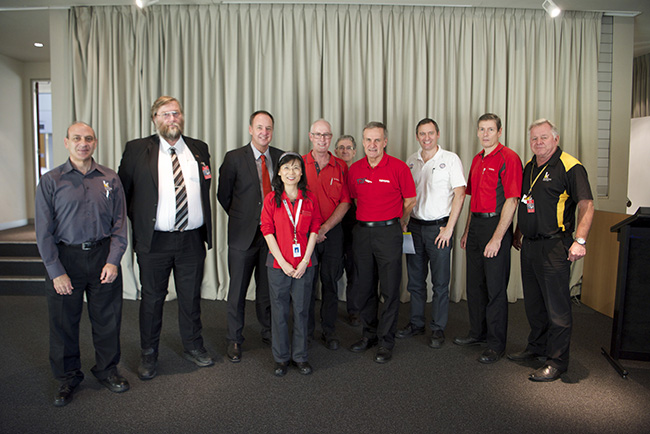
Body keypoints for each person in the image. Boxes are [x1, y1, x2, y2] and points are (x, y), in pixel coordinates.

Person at [118, 96, 214, 380]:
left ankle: (193, 346)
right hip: (155, 243)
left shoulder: (199, 149)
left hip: (191, 240)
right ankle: (149, 354)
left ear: (182, 116)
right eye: (165, 114)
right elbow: (124, 193)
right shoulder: (137, 149)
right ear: (155, 119)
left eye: (176, 113)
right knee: (152, 300)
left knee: (190, 298)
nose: (171, 119)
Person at [35, 122, 129, 406]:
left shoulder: (110, 178)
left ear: (95, 142)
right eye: (77, 138)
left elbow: (120, 224)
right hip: (66, 259)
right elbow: (43, 232)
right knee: (64, 323)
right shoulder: (51, 181)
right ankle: (67, 378)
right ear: (66, 143)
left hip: (103, 257)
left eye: (88, 138)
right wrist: (56, 272)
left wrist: (113, 261)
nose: (83, 143)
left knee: (107, 320)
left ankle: (107, 370)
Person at [509, 119, 594, 381]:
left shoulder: (570, 165)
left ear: (555, 139)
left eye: (543, 137)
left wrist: (580, 241)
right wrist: (519, 231)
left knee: (557, 307)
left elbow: (587, 205)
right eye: (534, 138)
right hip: (530, 245)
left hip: (555, 246)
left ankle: (557, 362)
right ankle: (536, 348)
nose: (538, 142)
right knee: (534, 304)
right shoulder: (529, 166)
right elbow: (527, 202)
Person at [454, 113, 522, 364]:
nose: (485, 134)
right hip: (476, 226)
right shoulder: (476, 159)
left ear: (499, 132)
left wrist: (496, 238)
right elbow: (472, 200)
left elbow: (512, 200)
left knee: (495, 290)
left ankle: (496, 344)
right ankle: (477, 333)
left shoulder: (509, 158)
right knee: (474, 285)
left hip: (497, 226)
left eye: (490, 129)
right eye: (481, 129)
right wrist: (467, 230)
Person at [217, 110, 284, 362]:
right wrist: (244, 217)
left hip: (272, 237)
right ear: (250, 129)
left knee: (268, 288)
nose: (264, 132)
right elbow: (223, 196)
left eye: (268, 128)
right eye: (259, 127)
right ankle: (234, 338)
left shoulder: (280, 157)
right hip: (242, 235)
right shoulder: (234, 158)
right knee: (237, 290)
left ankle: (268, 331)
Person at [347, 121, 416, 363]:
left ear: (385, 142)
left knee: (389, 289)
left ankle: (386, 341)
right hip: (363, 233)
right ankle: (369, 335)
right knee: (365, 288)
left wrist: (399, 219)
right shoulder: (354, 170)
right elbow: (353, 200)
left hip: (389, 233)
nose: (372, 145)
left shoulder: (398, 168)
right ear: (362, 142)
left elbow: (410, 199)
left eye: (377, 140)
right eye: (368, 140)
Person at [398, 118, 466, 349]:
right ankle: (416, 323)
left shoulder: (450, 159)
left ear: (437, 134)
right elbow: (408, 197)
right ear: (417, 136)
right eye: (421, 134)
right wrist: (404, 220)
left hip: (439, 229)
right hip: (414, 228)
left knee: (439, 283)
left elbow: (460, 194)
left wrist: (450, 228)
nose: (426, 138)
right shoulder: (411, 161)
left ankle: (437, 328)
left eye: (430, 133)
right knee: (415, 282)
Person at [261, 153, 322, 376]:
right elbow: (266, 230)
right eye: (286, 168)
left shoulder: (310, 198)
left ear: (301, 173)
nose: (291, 173)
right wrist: (283, 262)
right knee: (279, 312)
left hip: (305, 265)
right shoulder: (271, 199)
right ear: (278, 172)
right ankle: (281, 358)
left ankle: (300, 356)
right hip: (279, 266)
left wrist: (305, 260)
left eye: (296, 168)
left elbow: (315, 227)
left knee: (302, 310)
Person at [303, 120, 351, 350]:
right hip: (306, 235)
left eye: (327, 135)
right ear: (310, 136)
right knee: (307, 284)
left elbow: (345, 202)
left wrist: (325, 228)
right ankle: (307, 331)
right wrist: (314, 230)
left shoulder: (341, 165)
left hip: (332, 234)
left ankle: (329, 331)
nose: (323, 139)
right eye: (318, 135)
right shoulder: (299, 164)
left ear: (331, 138)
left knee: (330, 282)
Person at [334, 135, 363, 326]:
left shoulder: (359, 173)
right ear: (335, 151)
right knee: (332, 271)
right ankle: (329, 311)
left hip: (355, 230)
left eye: (349, 148)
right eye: (341, 147)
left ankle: (354, 311)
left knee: (354, 271)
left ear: (354, 152)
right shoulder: (331, 172)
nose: (345, 151)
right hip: (334, 230)